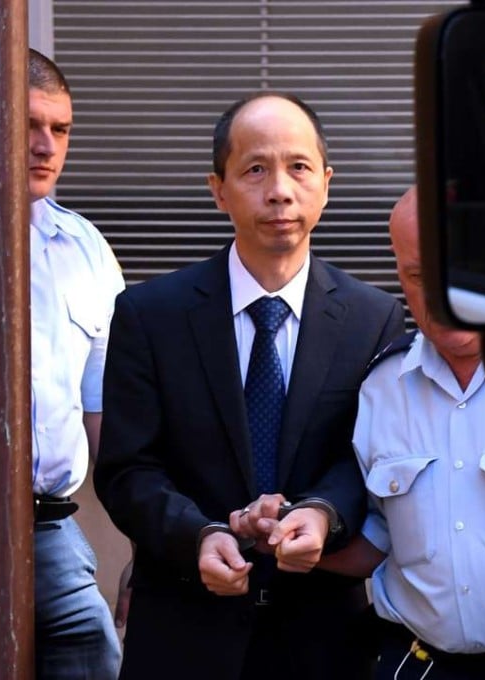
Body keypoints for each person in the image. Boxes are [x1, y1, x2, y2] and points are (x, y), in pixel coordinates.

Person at [95, 92, 405, 680]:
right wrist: (200, 535)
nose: (280, 190)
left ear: (327, 184)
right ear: (218, 190)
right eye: (255, 169)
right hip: (184, 633)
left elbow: (367, 457)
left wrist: (321, 514)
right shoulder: (149, 315)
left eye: (299, 167)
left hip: (323, 636)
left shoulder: (373, 318)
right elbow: (128, 469)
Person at [320, 185, 485, 680]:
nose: (441, 295)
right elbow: (381, 538)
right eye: (417, 275)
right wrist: (288, 537)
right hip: (422, 664)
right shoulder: (383, 388)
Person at [27, 48, 124, 680]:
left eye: (60, 129)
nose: (46, 145)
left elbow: (107, 416)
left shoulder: (82, 247)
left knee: (97, 653)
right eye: (29, 125)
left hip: (49, 528)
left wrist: (152, 545)